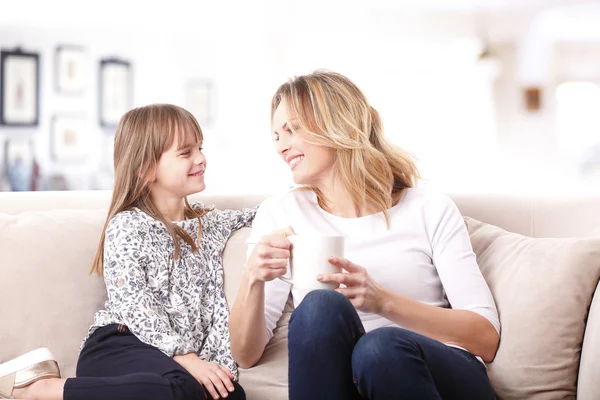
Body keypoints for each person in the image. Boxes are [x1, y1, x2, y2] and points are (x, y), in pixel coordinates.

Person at [229, 71, 500, 399]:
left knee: (380, 348)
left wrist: (383, 301)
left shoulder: (428, 207)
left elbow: (485, 338)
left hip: (441, 373)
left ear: (336, 122)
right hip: (345, 384)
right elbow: (246, 354)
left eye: (291, 129)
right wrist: (252, 278)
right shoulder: (281, 213)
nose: (281, 146)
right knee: (318, 305)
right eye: (275, 136)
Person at [0, 104, 254, 400]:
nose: (201, 159)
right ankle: (42, 389)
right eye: (186, 153)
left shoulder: (210, 224)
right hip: (120, 345)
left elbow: (273, 213)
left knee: (231, 394)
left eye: (200, 148)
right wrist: (188, 360)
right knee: (181, 387)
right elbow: (135, 303)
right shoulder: (128, 226)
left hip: (171, 364)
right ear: (146, 168)